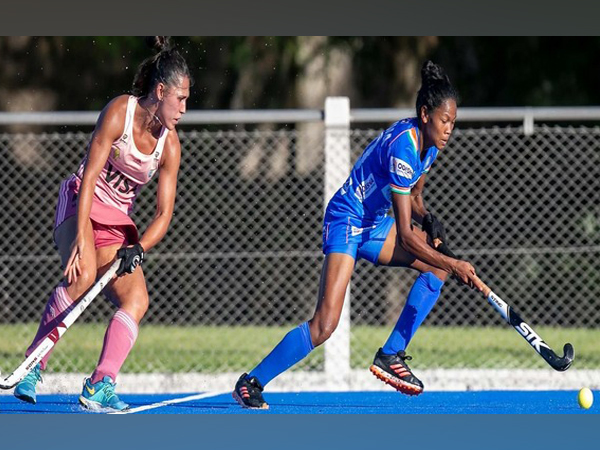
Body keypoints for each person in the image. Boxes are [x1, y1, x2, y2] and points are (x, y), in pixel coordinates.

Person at [233, 60, 486, 409]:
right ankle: (251, 382)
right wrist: (453, 262)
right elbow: (408, 238)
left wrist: (430, 220)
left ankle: (391, 354)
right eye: (445, 121)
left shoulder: (429, 148)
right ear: (425, 114)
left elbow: (414, 199)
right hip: (347, 220)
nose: (449, 130)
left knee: (436, 269)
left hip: (375, 222)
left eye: (453, 124)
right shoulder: (405, 147)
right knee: (324, 325)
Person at [13, 36, 191, 411]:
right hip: (80, 201)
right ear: (160, 91)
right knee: (82, 275)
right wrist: (81, 236)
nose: (184, 109)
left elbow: (163, 215)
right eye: (180, 99)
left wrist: (138, 248)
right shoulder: (119, 113)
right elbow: (91, 177)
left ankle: (100, 384)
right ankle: (33, 364)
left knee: (137, 299)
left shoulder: (169, 145)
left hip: (114, 222)